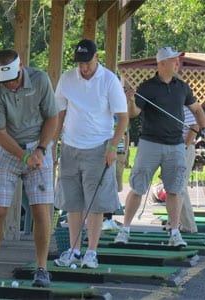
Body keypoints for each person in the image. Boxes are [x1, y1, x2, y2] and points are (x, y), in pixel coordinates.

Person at [0, 49, 59, 287]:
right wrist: (24, 157)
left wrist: (41, 150)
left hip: (38, 146)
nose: (10, 85)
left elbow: (52, 117)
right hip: (7, 150)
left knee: (41, 210)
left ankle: (42, 268)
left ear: (21, 65)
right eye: (5, 81)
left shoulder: (40, 80)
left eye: (13, 79)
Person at [115, 46, 205, 246]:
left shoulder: (182, 87)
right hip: (150, 144)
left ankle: (175, 233)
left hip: (175, 145)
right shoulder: (147, 87)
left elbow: (197, 109)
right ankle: (124, 229)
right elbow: (133, 113)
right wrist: (128, 100)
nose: (178, 63)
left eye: (178, 60)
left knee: (175, 189)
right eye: (174, 60)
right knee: (138, 188)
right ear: (162, 63)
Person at [52, 39, 129, 269]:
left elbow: (123, 117)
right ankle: (74, 249)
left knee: (95, 203)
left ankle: (91, 252)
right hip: (70, 146)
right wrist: (52, 145)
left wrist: (113, 146)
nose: (83, 67)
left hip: (99, 147)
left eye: (87, 62)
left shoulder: (109, 80)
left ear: (96, 57)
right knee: (73, 202)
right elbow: (60, 114)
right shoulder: (67, 78)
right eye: (80, 63)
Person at [102, 115, 129, 231]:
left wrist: (126, 151)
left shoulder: (121, 115)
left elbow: (126, 134)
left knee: (115, 187)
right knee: (106, 186)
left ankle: (109, 217)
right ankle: (105, 218)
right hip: (106, 153)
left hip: (119, 153)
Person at [179, 106, 199, 233]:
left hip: (183, 148)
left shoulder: (183, 106)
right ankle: (175, 223)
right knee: (174, 186)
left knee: (179, 187)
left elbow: (194, 127)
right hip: (176, 148)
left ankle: (189, 226)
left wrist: (184, 146)